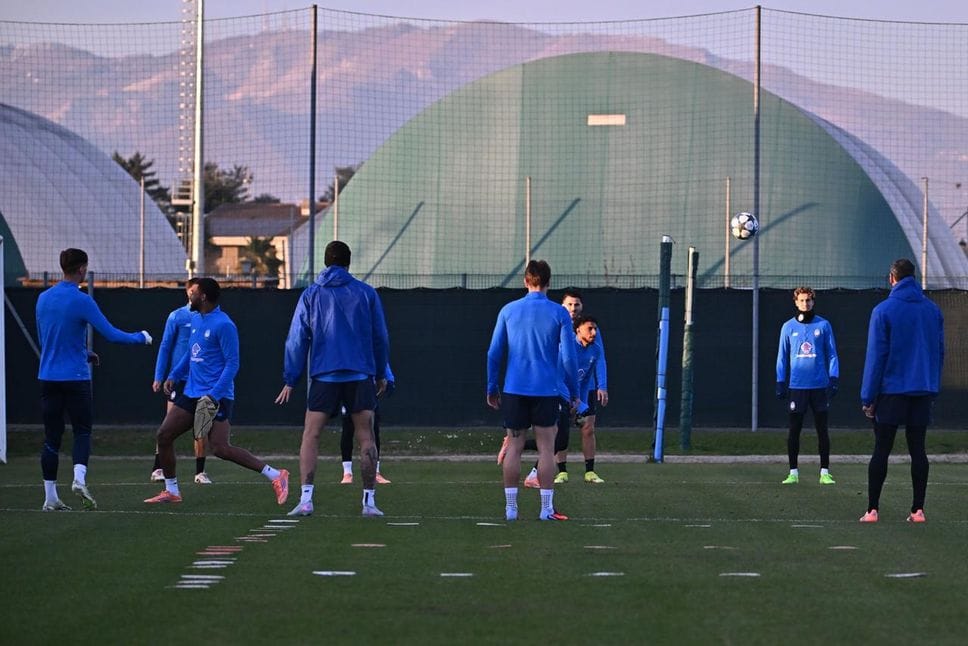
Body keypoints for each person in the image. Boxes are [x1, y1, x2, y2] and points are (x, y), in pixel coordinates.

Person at [144, 277, 289, 506]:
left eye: (192, 293)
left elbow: (233, 364)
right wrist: (173, 374)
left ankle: (276, 475)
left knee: (220, 448)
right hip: (191, 393)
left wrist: (214, 395)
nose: (188, 296)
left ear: (202, 296)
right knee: (164, 435)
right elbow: (190, 354)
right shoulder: (196, 319)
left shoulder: (224, 324)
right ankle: (172, 491)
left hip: (215, 396)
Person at [275, 241, 390, 517]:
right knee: (366, 437)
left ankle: (305, 500)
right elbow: (380, 336)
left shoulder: (311, 294)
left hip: (324, 375)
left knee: (311, 434)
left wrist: (291, 378)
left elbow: (296, 338)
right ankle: (369, 502)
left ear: (326, 262)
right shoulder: (366, 293)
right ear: (349, 262)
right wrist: (382, 371)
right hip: (360, 374)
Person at [36, 248, 153, 511]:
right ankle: (78, 479)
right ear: (81, 270)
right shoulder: (81, 300)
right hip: (75, 378)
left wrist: (85, 352)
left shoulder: (42, 298)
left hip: (47, 377)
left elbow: (47, 341)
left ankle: (50, 497)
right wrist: (140, 337)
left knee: (51, 438)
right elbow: (111, 334)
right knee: (83, 431)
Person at [487, 260, 579, 521]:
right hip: (547, 390)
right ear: (549, 282)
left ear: (525, 281)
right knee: (547, 449)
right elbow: (569, 359)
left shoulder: (508, 310)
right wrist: (574, 392)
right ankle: (546, 509)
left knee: (514, 446)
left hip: (515, 388)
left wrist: (492, 386)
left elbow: (494, 353)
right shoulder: (559, 313)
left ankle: (511, 509)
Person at [859, 259, 944, 524]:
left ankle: (872, 510)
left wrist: (868, 397)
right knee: (918, 449)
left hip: (892, 391)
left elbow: (876, 357)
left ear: (892, 278)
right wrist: (932, 386)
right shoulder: (933, 310)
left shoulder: (883, 310)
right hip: (922, 389)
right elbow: (940, 352)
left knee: (882, 449)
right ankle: (918, 510)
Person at [506, 287, 608, 485]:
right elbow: (560, 368)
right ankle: (555, 471)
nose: (573, 308)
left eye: (576, 304)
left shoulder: (590, 333)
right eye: (569, 304)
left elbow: (597, 360)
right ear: (562, 306)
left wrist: (590, 393)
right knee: (556, 436)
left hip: (575, 392)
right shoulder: (555, 323)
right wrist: (571, 397)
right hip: (554, 388)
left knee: (574, 432)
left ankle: (587, 471)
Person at [775, 286, 840, 485]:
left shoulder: (824, 325)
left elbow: (832, 354)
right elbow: (782, 357)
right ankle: (793, 472)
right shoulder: (788, 327)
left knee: (822, 430)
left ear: (813, 301)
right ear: (796, 302)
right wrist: (780, 381)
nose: (806, 303)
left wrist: (834, 378)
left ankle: (824, 472)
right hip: (797, 387)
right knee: (794, 430)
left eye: (809, 300)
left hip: (819, 387)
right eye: (802, 300)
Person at [150, 278, 212, 485]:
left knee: (201, 424)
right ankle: (158, 468)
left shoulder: (207, 318)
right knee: (169, 424)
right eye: (192, 290)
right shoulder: (177, 316)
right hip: (178, 380)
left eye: (198, 291)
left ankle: (200, 472)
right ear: (188, 293)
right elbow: (165, 347)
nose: (195, 294)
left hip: (200, 380)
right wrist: (160, 376)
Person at [339, 363, 394, 485]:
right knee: (348, 430)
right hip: (349, 389)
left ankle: (375, 472)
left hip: (368, 392)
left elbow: (382, 360)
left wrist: (389, 380)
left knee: (373, 431)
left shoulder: (372, 347)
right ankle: (347, 472)